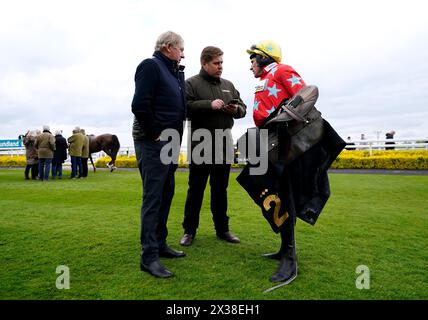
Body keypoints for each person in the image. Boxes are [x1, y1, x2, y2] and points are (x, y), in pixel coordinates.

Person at [242, 40, 345, 286]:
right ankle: (284, 248)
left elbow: (307, 97)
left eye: (252, 59)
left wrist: (285, 120)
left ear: (264, 57)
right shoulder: (265, 79)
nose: (250, 66)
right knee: (273, 191)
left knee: (286, 195)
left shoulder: (283, 70)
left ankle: (290, 256)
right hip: (272, 142)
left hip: (288, 147)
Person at [131, 31, 187, 278]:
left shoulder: (173, 72)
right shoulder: (150, 66)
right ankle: (149, 256)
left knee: (166, 194)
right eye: (181, 49)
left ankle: (160, 245)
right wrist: (155, 133)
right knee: (153, 198)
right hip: (153, 143)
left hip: (170, 145)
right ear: (168, 47)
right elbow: (139, 104)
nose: (183, 53)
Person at [179, 46, 247, 247]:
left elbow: (243, 108)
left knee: (220, 190)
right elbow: (184, 108)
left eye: (222, 63)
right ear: (204, 63)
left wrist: (236, 110)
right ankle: (189, 231)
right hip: (200, 144)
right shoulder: (190, 83)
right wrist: (209, 104)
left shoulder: (229, 85)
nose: (220, 67)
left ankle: (222, 230)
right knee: (196, 190)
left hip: (224, 144)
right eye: (216, 63)